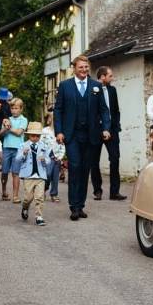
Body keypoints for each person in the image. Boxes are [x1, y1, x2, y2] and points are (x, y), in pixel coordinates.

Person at [53, 55, 111, 221]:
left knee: (85, 169)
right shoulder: (65, 86)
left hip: (91, 135)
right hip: (72, 135)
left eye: (86, 67)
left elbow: (104, 110)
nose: (84, 70)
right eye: (81, 67)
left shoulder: (96, 86)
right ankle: (73, 207)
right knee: (75, 166)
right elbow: (58, 110)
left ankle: (81, 205)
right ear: (74, 68)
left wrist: (106, 128)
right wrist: (59, 131)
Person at [91, 66, 126, 201]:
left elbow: (116, 110)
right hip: (96, 130)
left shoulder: (112, 90)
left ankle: (114, 192)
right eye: (110, 76)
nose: (113, 78)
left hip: (112, 130)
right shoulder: (92, 90)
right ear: (102, 77)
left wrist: (115, 126)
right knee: (94, 161)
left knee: (115, 159)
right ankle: (97, 190)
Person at [16, 122, 53, 226]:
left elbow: (49, 160)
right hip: (28, 176)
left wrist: (44, 160)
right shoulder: (23, 145)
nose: (35, 138)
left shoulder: (44, 146)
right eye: (33, 135)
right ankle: (25, 207)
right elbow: (17, 159)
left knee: (39, 197)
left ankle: (39, 216)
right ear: (29, 135)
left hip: (40, 176)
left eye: (38, 136)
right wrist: (24, 153)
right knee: (28, 197)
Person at [0, 98, 28, 202]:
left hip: (18, 149)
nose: (14, 110)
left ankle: (15, 196)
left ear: (21, 109)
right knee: (4, 171)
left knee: (15, 173)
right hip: (7, 147)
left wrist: (9, 128)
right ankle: (4, 192)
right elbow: (1, 133)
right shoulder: (8, 119)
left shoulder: (24, 120)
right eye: (12, 108)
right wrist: (5, 127)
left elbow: (19, 132)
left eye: (16, 108)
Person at [42, 113, 64, 203]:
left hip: (57, 157)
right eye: (54, 118)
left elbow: (63, 146)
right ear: (49, 120)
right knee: (47, 174)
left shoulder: (61, 133)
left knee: (55, 177)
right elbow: (41, 143)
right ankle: (43, 188)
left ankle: (54, 194)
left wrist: (60, 157)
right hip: (47, 157)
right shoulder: (44, 131)